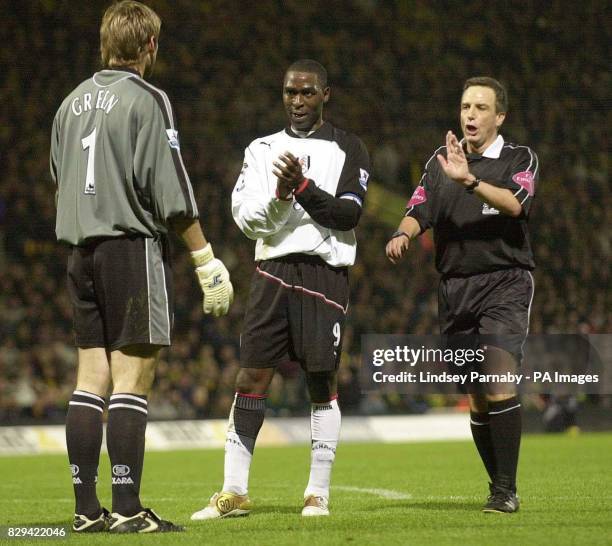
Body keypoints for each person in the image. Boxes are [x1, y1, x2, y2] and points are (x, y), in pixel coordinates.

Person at [50, 1, 233, 533]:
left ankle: (87, 513)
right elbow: (172, 190)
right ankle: (128, 510)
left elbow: (60, 184)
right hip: (130, 249)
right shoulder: (148, 99)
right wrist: (205, 259)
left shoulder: (69, 104)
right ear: (150, 45)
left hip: (79, 252)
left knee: (91, 378)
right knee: (132, 378)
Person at [191, 59, 369, 520]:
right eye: (291, 92)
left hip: (323, 276)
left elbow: (347, 215)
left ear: (325, 95)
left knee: (320, 382)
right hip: (271, 272)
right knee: (250, 378)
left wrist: (303, 186)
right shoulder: (261, 149)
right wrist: (281, 197)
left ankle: (317, 493)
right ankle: (233, 491)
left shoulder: (350, 148)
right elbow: (247, 219)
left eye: (308, 93)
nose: (298, 101)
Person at [386, 77, 538, 513]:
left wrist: (469, 179)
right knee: (474, 394)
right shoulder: (440, 161)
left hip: (504, 282)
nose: (470, 115)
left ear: (499, 116)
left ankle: (505, 492)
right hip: (455, 289)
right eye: (465, 106)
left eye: (480, 108)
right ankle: (499, 484)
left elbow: (516, 204)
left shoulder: (519, 158)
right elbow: (420, 208)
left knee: (497, 377)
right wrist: (403, 232)